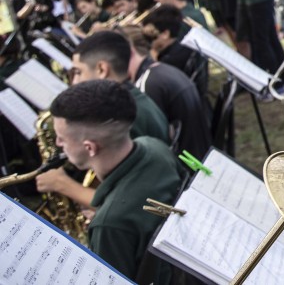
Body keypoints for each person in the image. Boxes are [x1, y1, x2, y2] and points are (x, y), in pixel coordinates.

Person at [47, 79, 182, 283]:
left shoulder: (110, 224)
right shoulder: (154, 147)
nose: (58, 143)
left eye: (62, 138)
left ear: (90, 148)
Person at [36, 30, 171, 213]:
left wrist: (62, 184)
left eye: (78, 72)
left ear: (102, 69)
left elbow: (131, 204)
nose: (74, 81)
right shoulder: (133, 99)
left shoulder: (119, 118)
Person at [120, 21, 212, 159]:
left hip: (188, 165)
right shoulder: (161, 70)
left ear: (129, 50)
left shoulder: (148, 84)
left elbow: (155, 145)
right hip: (201, 154)